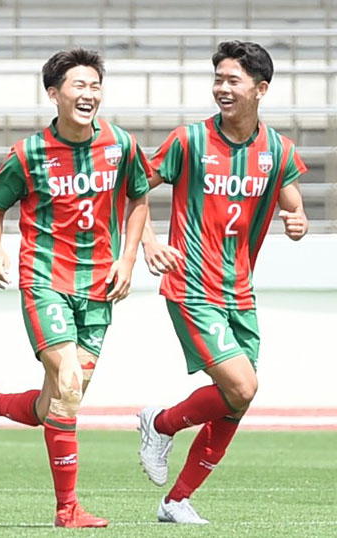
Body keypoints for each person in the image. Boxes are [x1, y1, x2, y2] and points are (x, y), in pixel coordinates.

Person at [0, 48, 150, 528]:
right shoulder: (30, 153)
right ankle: (68, 509)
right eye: (78, 85)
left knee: (60, 402)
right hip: (45, 279)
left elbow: (139, 197)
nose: (89, 94)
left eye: (95, 86)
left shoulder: (121, 144)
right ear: (53, 94)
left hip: (100, 285)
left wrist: (129, 258)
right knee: (67, 382)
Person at [138, 40, 309, 524]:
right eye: (218, 79)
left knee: (236, 402)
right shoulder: (188, 141)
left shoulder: (278, 150)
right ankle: (161, 424)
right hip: (192, 285)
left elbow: (293, 201)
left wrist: (298, 221)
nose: (222, 88)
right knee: (242, 386)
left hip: (240, 291)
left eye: (233, 80)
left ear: (261, 88)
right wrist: (149, 242)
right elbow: (133, 189)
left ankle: (176, 500)